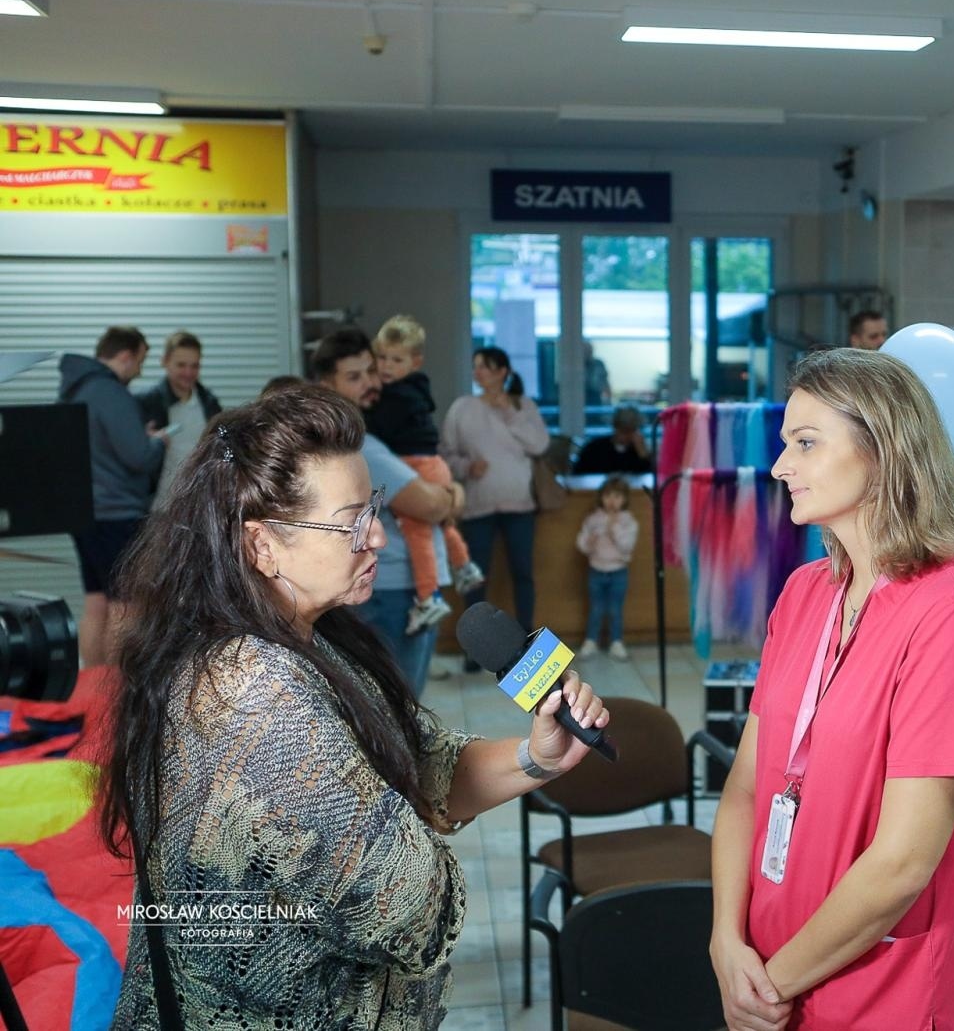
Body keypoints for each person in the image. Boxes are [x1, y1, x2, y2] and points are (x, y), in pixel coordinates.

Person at [100, 385, 609, 1029]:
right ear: (261, 545)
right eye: (350, 523)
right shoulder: (255, 698)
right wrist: (398, 821)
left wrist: (534, 758)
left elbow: (424, 762)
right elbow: (413, 909)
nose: (380, 538)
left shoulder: (309, 636)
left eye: (374, 507)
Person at [710, 348, 954, 1031]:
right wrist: (725, 942)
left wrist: (767, 990)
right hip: (770, 978)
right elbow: (748, 791)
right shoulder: (805, 594)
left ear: (882, 452)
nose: (782, 466)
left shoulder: (953, 612)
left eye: (806, 444)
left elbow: (904, 862)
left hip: (885, 996)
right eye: (786, 444)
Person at [313, 328, 464, 693]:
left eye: (370, 371)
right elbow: (429, 505)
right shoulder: (355, 445)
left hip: (399, 584)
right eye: (353, 377)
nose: (369, 383)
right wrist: (454, 493)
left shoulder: (377, 432)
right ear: (326, 384)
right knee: (400, 707)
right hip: (391, 590)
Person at [367, 315, 485, 634]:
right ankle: (463, 565)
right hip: (433, 464)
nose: (386, 366)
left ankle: (429, 595)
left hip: (414, 463)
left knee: (416, 529)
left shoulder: (394, 396)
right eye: (382, 358)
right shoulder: (417, 390)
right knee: (439, 523)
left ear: (415, 361)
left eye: (396, 359)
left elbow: (380, 427)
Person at [58, 325, 167, 668]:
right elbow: (136, 455)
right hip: (117, 513)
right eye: (140, 361)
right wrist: (156, 443)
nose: (139, 371)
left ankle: (93, 685)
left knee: (96, 601)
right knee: (126, 604)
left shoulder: (74, 388)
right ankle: (120, 690)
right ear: (125, 355)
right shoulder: (110, 392)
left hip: (84, 512)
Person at [439, 346, 551, 652]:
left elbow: (540, 445)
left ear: (503, 371)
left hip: (520, 506)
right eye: (475, 367)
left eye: (485, 367)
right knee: (475, 577)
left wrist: (509, 412)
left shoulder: (523, 405)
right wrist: (466, 467)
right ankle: (478, 649)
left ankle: (529, 643)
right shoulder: (462, 407)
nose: (478, 373)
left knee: (523, 572)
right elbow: (445, 455)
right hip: (478, 506)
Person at [137, 330, 224, 509]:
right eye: (181, 365)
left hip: (200, 507)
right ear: (165, 362)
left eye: (195, 366)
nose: (188, 372)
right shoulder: (146, 403)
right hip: (157, 508)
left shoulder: (209, 403)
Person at [576, 474, 640, 660]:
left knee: (615, 609)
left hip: (618, 572)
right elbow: (582, 545)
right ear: (601, 498)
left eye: (617, 497)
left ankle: (616, 642)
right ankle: (591, 641)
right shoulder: (593, 519)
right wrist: (590, 539)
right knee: (595, 608)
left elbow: (627, 546)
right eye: (608, 496)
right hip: (596, 570)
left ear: (625, 499)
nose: (612, 501)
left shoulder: (629, 522)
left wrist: (614, 529)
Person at [573, 404, 653, 475]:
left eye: (632, 431)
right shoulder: (594, 447)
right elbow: (578, 475)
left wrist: (643, 455)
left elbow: (650, 478)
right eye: (624, 431)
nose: (628, 436)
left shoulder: (639, 450)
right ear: (615, 427)